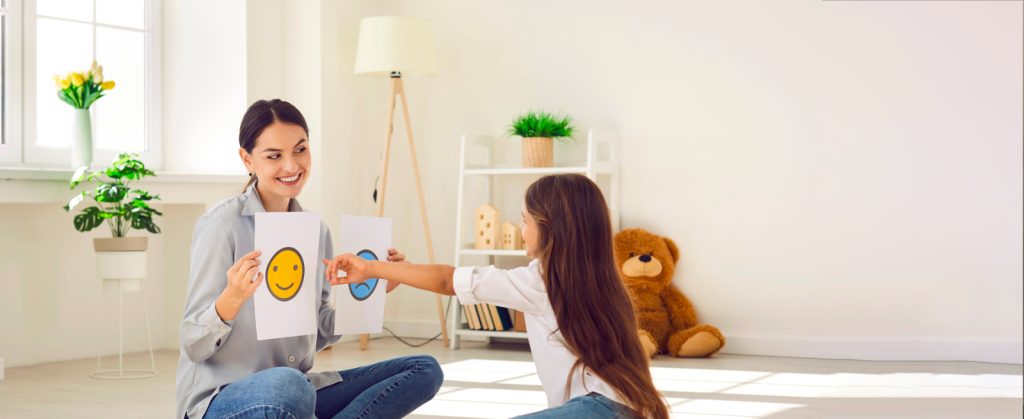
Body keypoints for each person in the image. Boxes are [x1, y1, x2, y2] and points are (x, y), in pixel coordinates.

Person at [176, 99, 443, 419]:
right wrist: (231, 300)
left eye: (300, 150)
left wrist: (374, 289)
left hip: (296, 392)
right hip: (224, 399)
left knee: (423, 369)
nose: (291, 166)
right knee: (289, 386)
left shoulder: (315, 231)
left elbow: (319, 332)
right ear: (247, 159)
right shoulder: (221, 225)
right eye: (274, 155)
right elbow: (194, 343)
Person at [325, 173, 669, 418]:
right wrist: (401, 269)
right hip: (626, 407)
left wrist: (371, 269)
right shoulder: (604, 280)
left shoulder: (542, 280)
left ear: (550, 229)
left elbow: (449, 281)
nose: (521, 231)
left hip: (596, 409)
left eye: (525, 222)